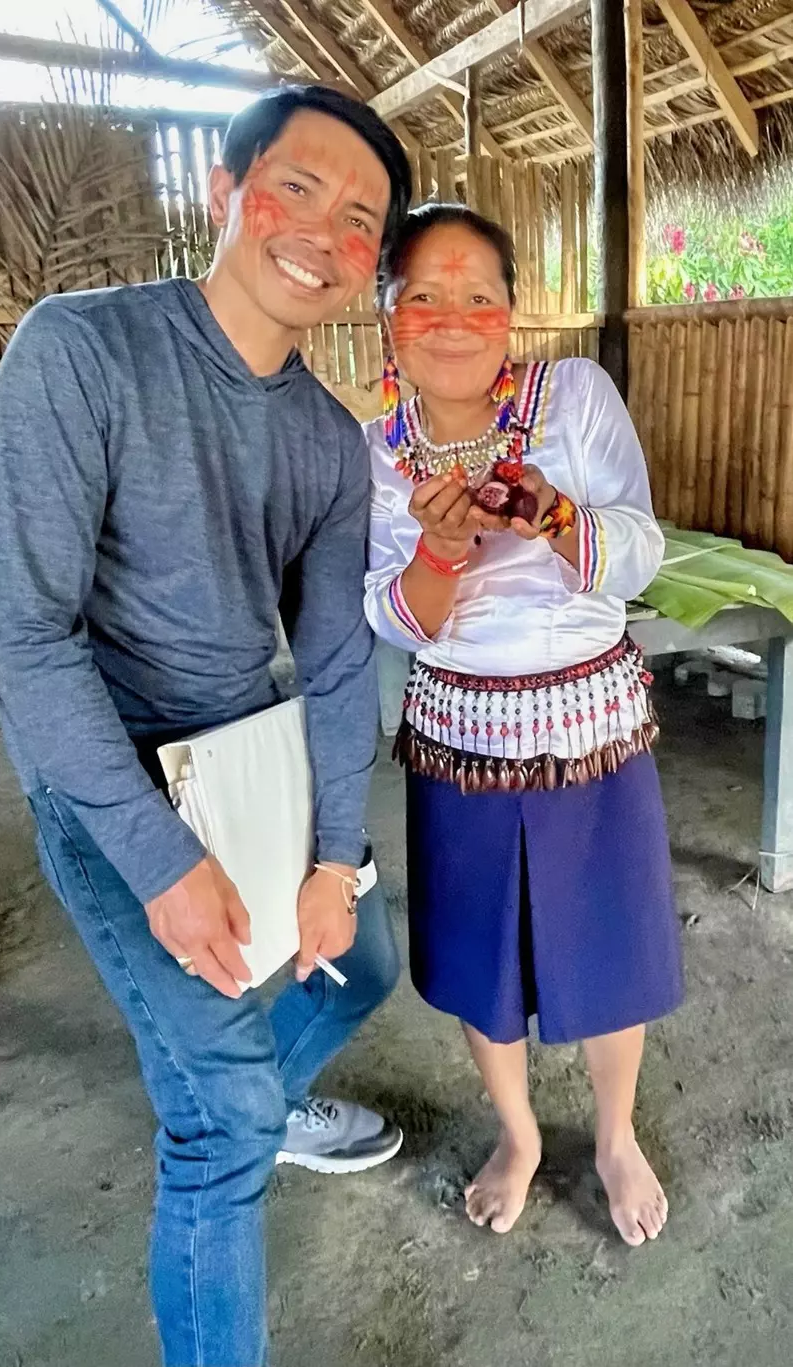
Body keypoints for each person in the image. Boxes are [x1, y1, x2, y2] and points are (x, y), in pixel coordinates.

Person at [0, 84, 411, 1366]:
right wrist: (161, 862)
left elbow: (336, 665)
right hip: (112, 770)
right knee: (215, 1117)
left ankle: (238, 1081)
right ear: (225, 195)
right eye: (297, 190)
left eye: (359, 221)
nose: (323, 233)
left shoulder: (332, 447)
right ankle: (230, 1099)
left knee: (362, 962)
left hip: (252, 747)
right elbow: (24, 641)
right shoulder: (81, 352)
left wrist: (336, 858)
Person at [364, 203, 678, 1246]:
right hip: (460, 736)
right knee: (478, 952)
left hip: (587, 720)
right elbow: (384, 607)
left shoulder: (575, 396)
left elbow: (639, 552)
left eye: (479, 294)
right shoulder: (379, 449)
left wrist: (550, 515)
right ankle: (518, 1131)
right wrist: (439, 551)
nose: (454, 317)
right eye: (424, 295)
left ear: (509, 310)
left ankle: (616, 1133)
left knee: (608, 941)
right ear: (386, 315)